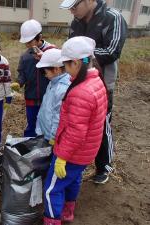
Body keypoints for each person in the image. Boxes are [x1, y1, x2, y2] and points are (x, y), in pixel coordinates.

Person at [60, 0, 127, 183]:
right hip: (78, 83)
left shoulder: (113, 18)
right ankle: (78, 159)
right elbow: (70, 48)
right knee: (78, 123)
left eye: (74, 6)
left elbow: (112, 51)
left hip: (102, 84)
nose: (72, 11)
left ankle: (103, 165)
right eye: (70, 8)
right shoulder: (76, 22)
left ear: (89, 0)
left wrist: (83, 54)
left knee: (101, 124)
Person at [43, 36, 108, 225]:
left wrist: (62, 156)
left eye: (66, 64)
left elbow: (76, 132)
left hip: (72, 152)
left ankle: (52, 221)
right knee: (73, 179)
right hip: (86, 151)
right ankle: (68, 212)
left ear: (77, 62)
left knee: (51, 189)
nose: (65, 69)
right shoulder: (96, 81)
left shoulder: (81, 91)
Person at [11, 19, 57, 137]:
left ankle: (45, 146)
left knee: (46, 123)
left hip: (48, 97)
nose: (28, 45)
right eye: (26, 43)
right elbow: (22, 74)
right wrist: (19, 83)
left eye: (30, 42)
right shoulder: (26, 56)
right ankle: (30, 148)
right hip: (31, 97)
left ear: (39, 37)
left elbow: (59, 72)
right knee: (31, 123)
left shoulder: (52, 52)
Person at [35, 49, 71, 148]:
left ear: (56, 69)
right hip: (45, 133)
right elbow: (45, 106)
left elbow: (58, 116)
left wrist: (53, 138)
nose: (44, 75)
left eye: (44, 71)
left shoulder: (62, 89)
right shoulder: (52, 83)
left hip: (52, 138)